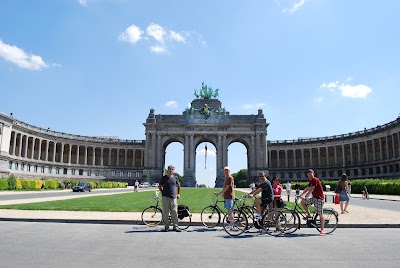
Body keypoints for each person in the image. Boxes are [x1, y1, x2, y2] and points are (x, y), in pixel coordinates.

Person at [300, 169, 326, 236]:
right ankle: (309, 215)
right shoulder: (311, 181)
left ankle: (322, 230)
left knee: (320, 214)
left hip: (319, 198)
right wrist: (300, 195)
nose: (309, 175)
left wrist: (305, 196)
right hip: (314, 198)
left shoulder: (315, 180)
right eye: (308, 174)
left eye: (310, 174)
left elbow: (312, 189)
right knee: (302, 202)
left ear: (313, 173)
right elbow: (307, 188)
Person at [158, 165, 181, 232]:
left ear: (173, 170)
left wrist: (178, 194)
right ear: (168, 170)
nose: (171, 170)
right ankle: (166, 226)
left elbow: (179, 185)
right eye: (170, 169)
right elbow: (160, 186)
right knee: (165, 212)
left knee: (174, 212)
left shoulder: (175, 178)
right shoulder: (164, 178)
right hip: (165, 197)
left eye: (172, 169)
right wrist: (162, 192)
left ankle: (175, 226)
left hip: (173, 197)